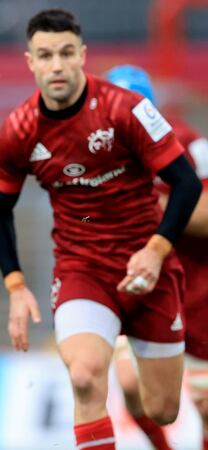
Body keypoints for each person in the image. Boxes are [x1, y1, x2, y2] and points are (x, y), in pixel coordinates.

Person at [0, 9, 202, 450]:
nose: (57, 64)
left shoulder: (129, 110)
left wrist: (157, 250)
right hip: (82, 269)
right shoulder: (19, 130)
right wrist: (15, 285)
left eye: (66, 53)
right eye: (46, 55)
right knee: (85, 377)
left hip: (151, 270)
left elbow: (184, 183)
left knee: (163, 407)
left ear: (82, 56)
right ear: (31, 61)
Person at [106, 64, 208, 450]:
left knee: (205, 406)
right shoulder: (96, 153)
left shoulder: (188, 144)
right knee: (132, 386)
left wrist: (153, 205)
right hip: (135, 288)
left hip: (196, 288)